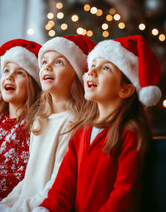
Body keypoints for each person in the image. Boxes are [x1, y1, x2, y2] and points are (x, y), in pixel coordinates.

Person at [35, 35, 162, 212]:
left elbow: (124, 194)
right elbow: (63, 187)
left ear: (125, 89)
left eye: (106, 68)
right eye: (92, 65)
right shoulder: (80, 131)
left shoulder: (129, 133)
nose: (92, 72)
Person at [0, 35, 96, 212]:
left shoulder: (74, 123)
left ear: (76, 72)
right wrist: (4, 204)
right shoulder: (40, 120)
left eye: (58, 62)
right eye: (44, 62)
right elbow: (28, 183)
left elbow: (56, 185)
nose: (47, 67)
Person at [0, 39, 41, 205]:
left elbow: (22, 177)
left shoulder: (32, 125)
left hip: (4, 201)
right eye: (6, 71)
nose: (9, 76)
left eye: (19, 73)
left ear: (33, 83)